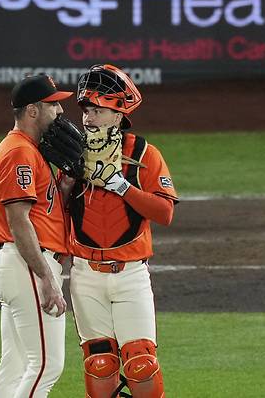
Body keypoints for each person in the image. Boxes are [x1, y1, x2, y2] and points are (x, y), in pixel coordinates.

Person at [58, 64, 179, 398]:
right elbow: (53, 212)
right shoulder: (72, 154)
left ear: (118, 114)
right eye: (86, 110)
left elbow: (165, 212)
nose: (88, 117)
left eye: (98, 110)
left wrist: (121, 186)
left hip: (130, 275)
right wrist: (66, 183)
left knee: (141, 363)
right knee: (99, 362)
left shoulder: (144, 154)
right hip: (85, 273)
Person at [0, 74, 73, 397]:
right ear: (33, 111)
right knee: (47, 365)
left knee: (15, 365)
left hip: (17, 264)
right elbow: (18, 220)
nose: (60, 112)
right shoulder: (18, 152)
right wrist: (46, 278)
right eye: (53, 105)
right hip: (28, 264)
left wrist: (65, 185)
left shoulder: (31, 151)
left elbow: (41, 210)